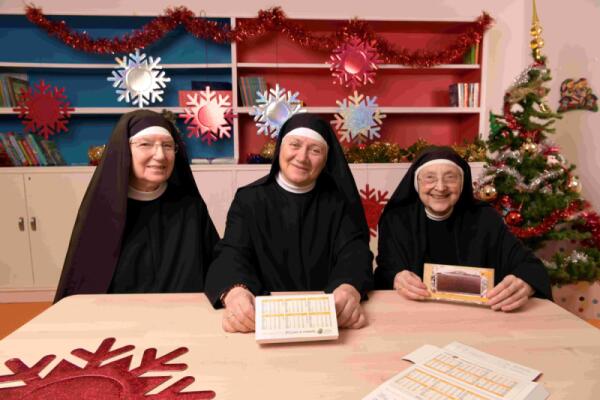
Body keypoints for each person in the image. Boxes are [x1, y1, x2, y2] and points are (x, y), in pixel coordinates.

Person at [205, 113, 373, 332]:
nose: (302, 158)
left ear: (326, 159)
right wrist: (235, 291)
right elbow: (232, 253)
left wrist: (349, 287)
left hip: (326, 318)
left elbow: (355, 253)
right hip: (264, 319)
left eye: (315, 150)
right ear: (279, 148)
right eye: (295, 145)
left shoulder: (338, 202)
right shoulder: (249, 199)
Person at [54, 110, 219, 302]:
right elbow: (84, 285)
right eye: (145, 144)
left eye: (167, 145)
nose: (160, 155)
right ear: (125, 150)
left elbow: (217, 265)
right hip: (119, 315)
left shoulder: (191, 207)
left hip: (182, 312)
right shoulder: (103, 210)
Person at [375, 146, 552, 311]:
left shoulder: (485, 218)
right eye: (430, 177)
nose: (440, 187)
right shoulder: (396, 220)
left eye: (450, 177)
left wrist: (525, 282)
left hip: (476, 318)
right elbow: (385, 271)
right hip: (414, 314)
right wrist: (396, 278)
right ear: (417, 182)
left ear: (462, 182)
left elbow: (529, 265)